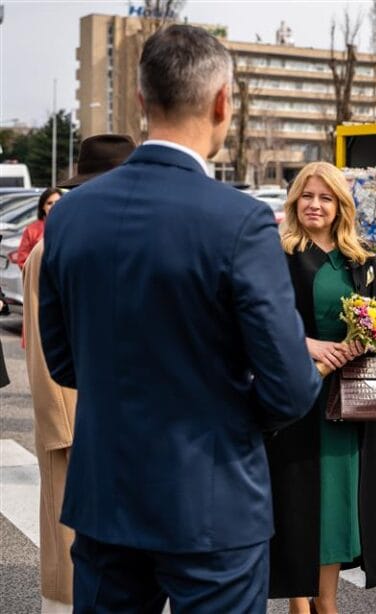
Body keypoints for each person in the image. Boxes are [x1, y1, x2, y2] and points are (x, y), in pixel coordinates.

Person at [38, 25, 321, 613]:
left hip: (106, 494)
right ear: (223, 103)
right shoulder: (239, 221)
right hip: (212, 499)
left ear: (141, 102)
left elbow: (64, 359)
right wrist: (228, 416)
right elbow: (291, 386)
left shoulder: (71, 216)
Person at [266, 161, 376, 614]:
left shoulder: (361, 260)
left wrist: (367, 341)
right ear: (295, 201)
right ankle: (300, 604)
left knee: (337, 502)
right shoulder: (276, 254)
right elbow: (260, 324)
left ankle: (328, 602)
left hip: (347, 396)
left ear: (341, 206)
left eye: (325, 197)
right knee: (296, 497)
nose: (315, 205)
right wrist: (312, 345)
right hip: (296, 393)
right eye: (307, 196)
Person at [22, 133, 136, 613]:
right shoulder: (49, 250)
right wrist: (63, 427)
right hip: (75, 417)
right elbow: (43, 351)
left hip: (127, 419)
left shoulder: (131, 242)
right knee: (69, 551)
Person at [17, 188, 62, 269]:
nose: (54, 206)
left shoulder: (70, 227)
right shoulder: (32, 230)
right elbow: (22, 260)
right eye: (49, 203)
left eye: (57, 202)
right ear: (43, 207)